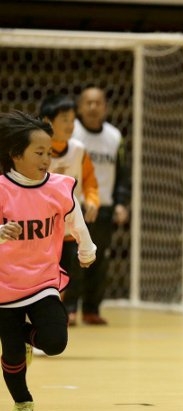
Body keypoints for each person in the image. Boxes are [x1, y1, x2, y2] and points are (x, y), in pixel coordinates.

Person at [0, 110, 96, 411]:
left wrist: (87, 248)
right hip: (4, 286)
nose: (46, 159)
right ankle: (22, 401)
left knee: (55, 341)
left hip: (42, 281)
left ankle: (26, 336)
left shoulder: (58, 187)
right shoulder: (2, 189)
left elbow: (74, 219)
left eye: (49, 152)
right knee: (11, 353)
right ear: (15, 155)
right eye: (38, 152)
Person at [69, 85, 130, 326]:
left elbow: (123, 173)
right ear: (80, 107)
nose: (93, 107)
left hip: (103, 208)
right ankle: (70, 307)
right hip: (75, 208)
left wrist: (121, 203)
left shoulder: (115, 137)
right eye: (88, 102)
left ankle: (92, 309)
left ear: (105, 107)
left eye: (98, 103)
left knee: (100, 259)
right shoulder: (70, 134)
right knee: (73, 258)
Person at [40, 93, 101, 326]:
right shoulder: (34, 149)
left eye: (73, 119)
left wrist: (92, 200)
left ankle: (49, 321)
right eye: (65, 119)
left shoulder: (78, 150)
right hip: (38, 228)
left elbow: (90, 181)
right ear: (48, 121)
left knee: (62, 277)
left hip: (66, 230)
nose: (71, 124)